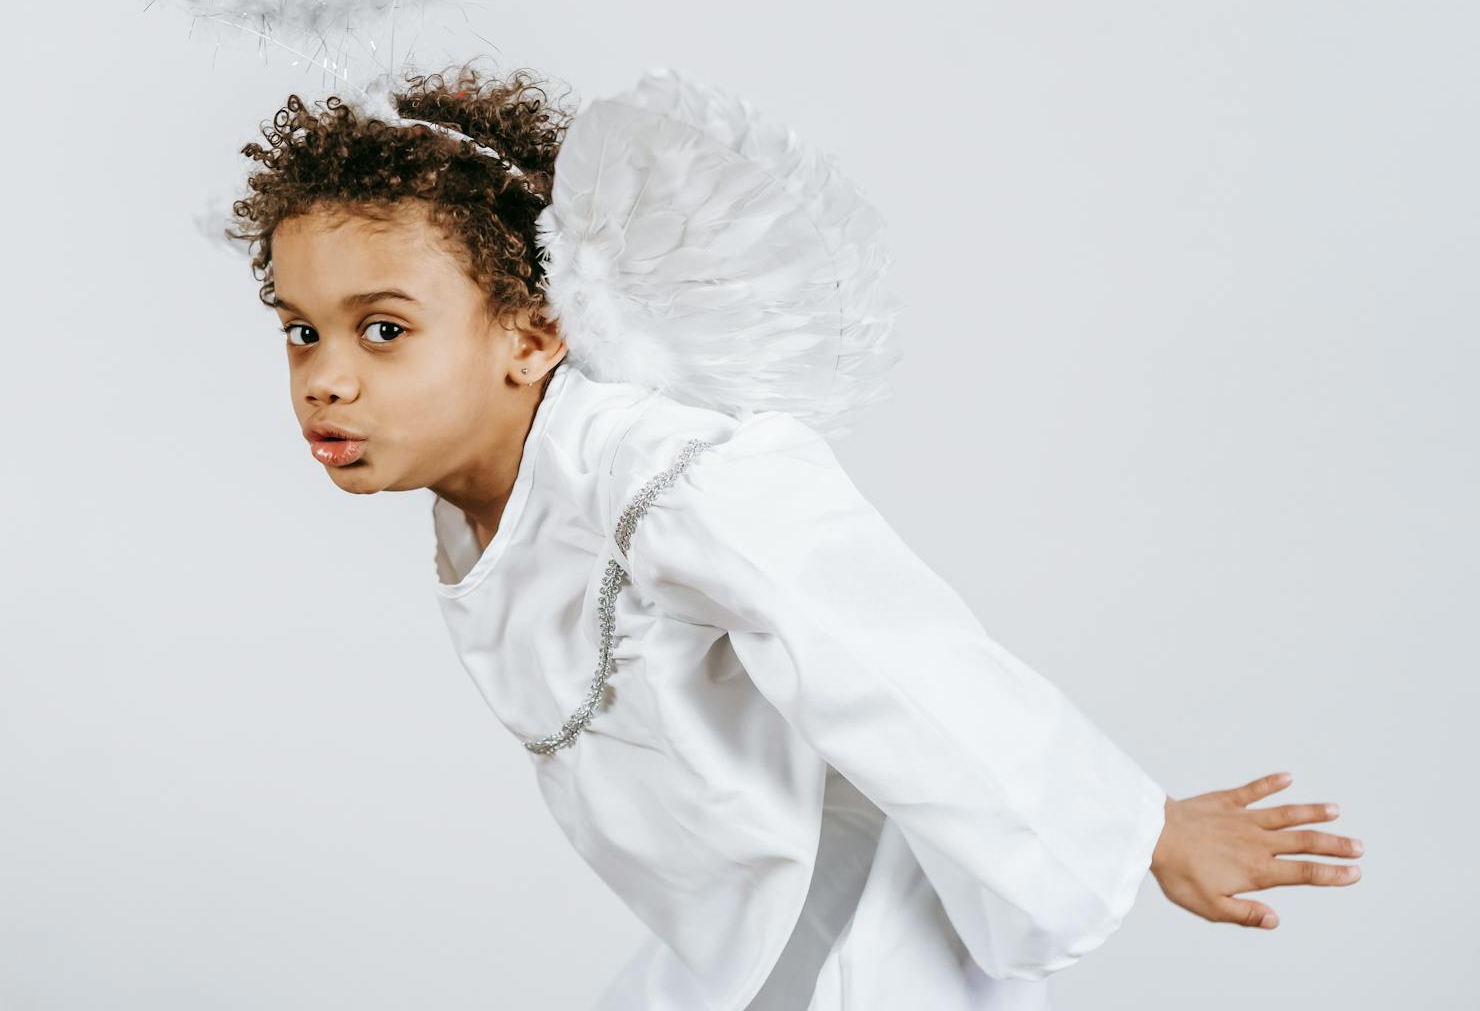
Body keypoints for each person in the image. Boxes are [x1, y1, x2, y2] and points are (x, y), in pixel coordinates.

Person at [223, 59, 1365, 1010]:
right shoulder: (483, 496)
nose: (325, 379)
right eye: (299, 330)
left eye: (382, 329)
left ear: (534, 332)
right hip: (733, 938)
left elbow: (891, 650)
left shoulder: (668, 472)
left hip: (864, 938)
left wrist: (1140, 828)